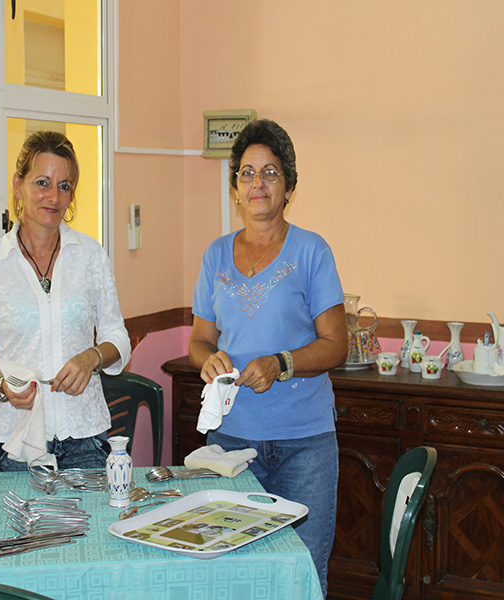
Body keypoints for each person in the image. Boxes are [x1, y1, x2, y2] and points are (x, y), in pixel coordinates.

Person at [188, 119, 348, 594]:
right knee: (233, 576)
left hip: (305, 446)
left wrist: (282, 363)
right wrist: (207, 360)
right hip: (231, 445)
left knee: (302, 575)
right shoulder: (215, 256)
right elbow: (199, 340)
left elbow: (335, 344)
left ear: (289, 187)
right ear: (236, 188)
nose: (258, 183)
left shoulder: (312, 251)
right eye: (247, 173)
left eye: (271, 173)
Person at [0, 130, 131, 472]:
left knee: (91, 511)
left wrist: (92, 358)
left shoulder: (90, 256)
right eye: (42, 183)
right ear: (18, 185)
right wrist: (0, 383)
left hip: (85, 435)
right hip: (16, 438)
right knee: (23, 513)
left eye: (64, 186)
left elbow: (117, 337)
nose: (53, 196)